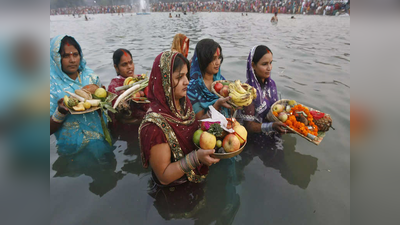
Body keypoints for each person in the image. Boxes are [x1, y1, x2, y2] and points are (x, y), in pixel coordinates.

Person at [139, 51, 220, 186]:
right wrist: (196, 158)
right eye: (179, 77)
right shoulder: (154, 126)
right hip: (173, 191)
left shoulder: (182, 102)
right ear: (164, 81)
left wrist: (217, 107)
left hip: (193, 178)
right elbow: (164, 176)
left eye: (186, 75)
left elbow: (191, 130)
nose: (187, 82)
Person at [50, 35, 110, 155]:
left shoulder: (91, 77)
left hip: (101, 142)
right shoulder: (50, 86)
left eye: (75, 54)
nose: (72, 60)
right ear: (56, 58)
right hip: (72, 150)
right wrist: (60, 112)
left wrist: (103, 101)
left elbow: (104, 110)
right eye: (66, 56)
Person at [238, 45, 289, 138]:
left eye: (271, 63)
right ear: (253, 65)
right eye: (264, 64)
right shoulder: (248, 91)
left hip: (274, 133)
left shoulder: (271, 84)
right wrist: (271, 126)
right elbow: (248, 126)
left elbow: (276, 111)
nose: (269, 68)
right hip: (255, 140)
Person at [187, 39, 231, 120]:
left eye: (219, 58)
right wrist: (216, 105)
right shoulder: (192, 88)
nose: (218, 62)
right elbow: (199, 121)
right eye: (213, 59)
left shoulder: (221, 81)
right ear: (203, 60)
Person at [107, 48, 149, 128]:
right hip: (127, 128)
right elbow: (118, 116)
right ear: (116, 67)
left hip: (146, 122)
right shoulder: (115, 86)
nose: (129, 67)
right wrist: (124, 100)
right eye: (124, 64)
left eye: (131, 63)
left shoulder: (141, 79)